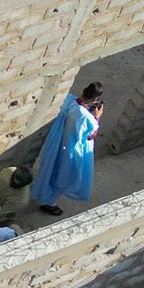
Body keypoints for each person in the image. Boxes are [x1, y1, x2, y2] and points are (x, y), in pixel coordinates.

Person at [31, 82, 104, 216]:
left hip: (57, 142)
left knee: (50, 169)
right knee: (63, 176)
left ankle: (42, 193)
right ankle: (49, 203)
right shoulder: (86, 117)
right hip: (71, 149)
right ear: (95, 99)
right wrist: (97, 117)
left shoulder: (69, 99)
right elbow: (90, 135)